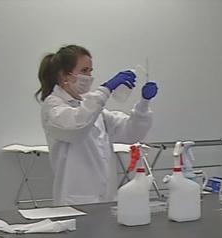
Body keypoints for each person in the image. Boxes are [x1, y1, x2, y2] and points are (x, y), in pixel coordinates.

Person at [36, 45, 158, 205]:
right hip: (75, 200)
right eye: (84, 70)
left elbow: (131, 133)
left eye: (90, 71)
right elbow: (76, 126)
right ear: (64, 75)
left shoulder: (93, 109)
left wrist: (143, 103)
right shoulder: (53, 107)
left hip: (105, 198)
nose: (89, 76)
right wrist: (105, 90)